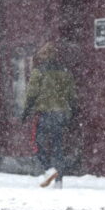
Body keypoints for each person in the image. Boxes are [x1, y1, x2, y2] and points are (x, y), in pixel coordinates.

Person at [21, 42, 76, 188]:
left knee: (37, 143)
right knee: (58, 147)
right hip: (62, 113)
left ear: (43, 55)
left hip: (44, 113)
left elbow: (32, 93)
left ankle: (48, 169)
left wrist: (26, 111)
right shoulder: (65, 72)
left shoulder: (38, 71)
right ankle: (59, 181)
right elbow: (72, 95)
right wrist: (72, 113)